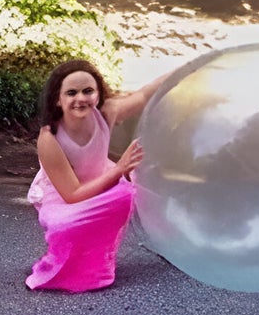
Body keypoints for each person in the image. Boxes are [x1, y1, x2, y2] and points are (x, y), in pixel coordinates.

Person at [25, 58, 169, 292]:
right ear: (57, 99)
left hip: (103, 183)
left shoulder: (106, 112)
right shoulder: (49, 138)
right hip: (64, 197)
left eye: (87, 91)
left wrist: (186, 70)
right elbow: (72, 195)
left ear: (98, 94)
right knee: (64, 224)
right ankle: (62, 267)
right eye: (71, 93)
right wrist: (120, 169)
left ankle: (99, 262)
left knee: (125, 195)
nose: (80, 98)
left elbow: (144, 95)